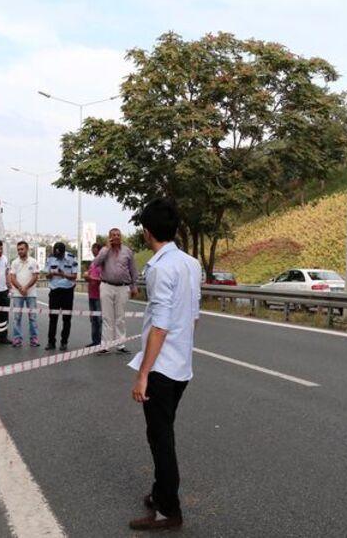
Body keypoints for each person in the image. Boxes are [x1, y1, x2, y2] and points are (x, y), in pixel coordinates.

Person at [127, 198, 201, 532]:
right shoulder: (190, 263)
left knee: (160, 439)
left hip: (161, 368)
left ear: (146, 232)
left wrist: (143, 373)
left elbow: (160, 324)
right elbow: (193, 316)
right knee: (162, 431)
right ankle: (159, 493)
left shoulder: (158, 267)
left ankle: (168, 510)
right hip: (181, 365)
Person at [93, 228, 138, 354]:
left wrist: (134, 286)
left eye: (118, 235)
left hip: (123, 287)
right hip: (107, 285)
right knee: (107, 317)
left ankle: (120, 344)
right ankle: (105, 345)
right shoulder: (104, 250)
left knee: (120, 317)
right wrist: (106, 248)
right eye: (113, 235)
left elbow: (133, 269)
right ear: (109, 237)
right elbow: (95, 263)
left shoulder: (127, 251)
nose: (116, 237)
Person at [42, 242, 78, 351]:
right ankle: (51, 342)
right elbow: (46, 275)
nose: (58, 256)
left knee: (66, 318)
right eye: (56, 254)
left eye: (60, 254)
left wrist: (63, 275)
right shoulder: (51, 258)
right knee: (53, 318)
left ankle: (64, 342)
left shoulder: (72, 258)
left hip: (67, 290)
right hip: (54, 290)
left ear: (63, 252)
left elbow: (74, 276)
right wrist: (52, 274)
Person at [8, 241, 41, 348]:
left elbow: (35, 276)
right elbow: (12, 277)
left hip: (31, 294)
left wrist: (26, 288)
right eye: (18, 249)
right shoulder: (14, 262)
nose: (20, 251)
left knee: (33, 317)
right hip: (18, 294)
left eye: (22, 249)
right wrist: (20, 288)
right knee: (17, 317)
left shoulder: (33, 261)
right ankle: (17, 339)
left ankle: (34, 339)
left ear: (27, 249)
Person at [84, 242, 103, 347]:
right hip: (91, 294)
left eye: (94, 249)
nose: (92, 251)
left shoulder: (104, 264)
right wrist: (86, 276)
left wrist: (92, 278)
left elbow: (104, 279)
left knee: (100, 320)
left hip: (100, 295)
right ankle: (95, 340)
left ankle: (101, 341)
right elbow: (90, 275)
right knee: (93, 319)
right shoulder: (93, 263)